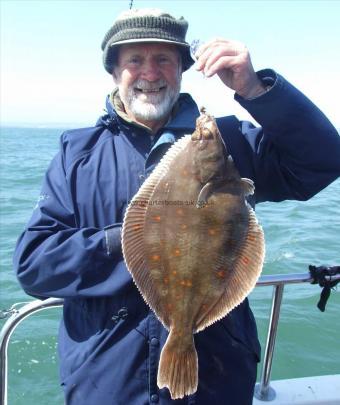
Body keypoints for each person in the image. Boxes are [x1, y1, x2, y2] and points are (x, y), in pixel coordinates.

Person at [13, 8, 340, 405]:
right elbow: (35, 263)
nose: (150, 73)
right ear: (115, 71)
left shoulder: (229, 142)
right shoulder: (77, 153)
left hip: (217, 379)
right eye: (135, 59)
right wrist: (139, 239)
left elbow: (322, 161)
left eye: (164, 59)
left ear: (182, 70)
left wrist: (256, 90)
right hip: (107, 382)